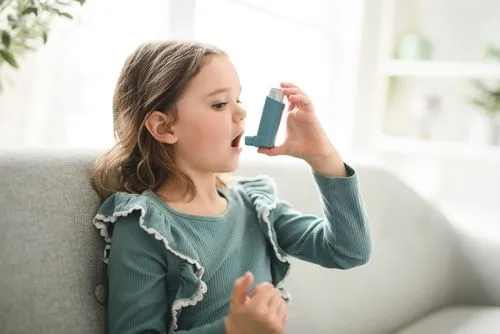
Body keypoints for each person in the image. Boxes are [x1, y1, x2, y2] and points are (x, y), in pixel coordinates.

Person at [91, 40, 371, 334]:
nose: (241, 113)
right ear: (164, 128)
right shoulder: (145, 226)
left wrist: (323, 157)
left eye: (239, 100)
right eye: (220, 104)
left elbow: (348, 250)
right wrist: (232, 330)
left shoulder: (256, 206)